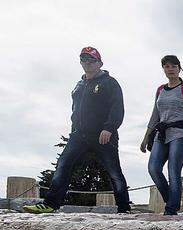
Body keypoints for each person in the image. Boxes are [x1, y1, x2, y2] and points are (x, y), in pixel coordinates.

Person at [24, 47, 131, 214]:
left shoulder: (110, 83)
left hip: (103, 135)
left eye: (91, 60)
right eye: (84, 59)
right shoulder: (79, 84)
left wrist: (109, 128)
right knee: (64, 165)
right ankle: (50, 204)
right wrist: (74, 129)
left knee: (114, 171)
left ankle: (124, 208)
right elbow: (75, 110)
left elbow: (117, 108)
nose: (87, 63)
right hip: (79, 135)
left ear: (100, 63)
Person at [140, 55, 183, 216]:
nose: (170, 69)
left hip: (180, 133)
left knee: (173, 170)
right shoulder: (160, 89)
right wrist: (146, 137)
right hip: (161, 133)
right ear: (163, 69)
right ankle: (172, 200)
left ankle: (170, 209)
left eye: (173, 66)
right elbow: (155, 115)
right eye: (166, 66)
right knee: (153, 168)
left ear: (179, 68)